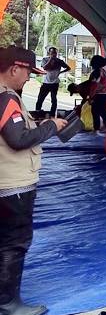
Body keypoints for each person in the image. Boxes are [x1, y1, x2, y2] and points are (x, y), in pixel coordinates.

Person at [0, 46, 68, 315]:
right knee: (14, 242)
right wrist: (50, 126)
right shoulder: (7, 98)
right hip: (12, 185)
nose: (29, 78)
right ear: (14, 68)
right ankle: (7, 303)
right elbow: (18, 139)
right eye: (28, 72)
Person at [35, 47, 70, 118]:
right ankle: (37, 112)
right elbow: (45, 68)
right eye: (52, 52)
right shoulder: (45, 59)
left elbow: (68, 68)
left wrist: (60, 72)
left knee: (53, 99)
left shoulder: (59, 61)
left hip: (55, 83)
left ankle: (52, 114)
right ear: (49, 53)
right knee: (40, 98)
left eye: (55, 52)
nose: (54, 54)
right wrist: (51, 59)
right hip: (46, 82)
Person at [88, 55, 106, 134]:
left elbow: (94, 86)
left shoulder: (97, 72)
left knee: (95, 111)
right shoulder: (105, 71)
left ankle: (97, 129)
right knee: (103, 111)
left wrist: (91, 97)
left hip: (99, 94)